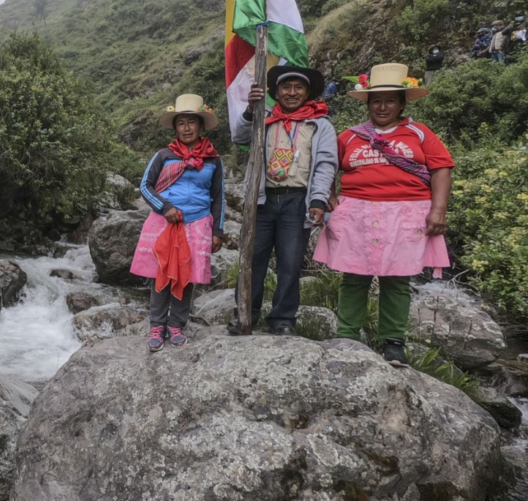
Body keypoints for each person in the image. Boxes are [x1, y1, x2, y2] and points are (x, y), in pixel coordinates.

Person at [314, 63, 454, 367]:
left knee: (397, 280)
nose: (382, 106)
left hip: (406, 214)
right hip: (357, 212)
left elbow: (441, 168)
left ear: (402, 103)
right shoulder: (350, 136)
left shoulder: (419, 133)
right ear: (367, 103)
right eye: (376, 100)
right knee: (353, 276)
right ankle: (347, 335)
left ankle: (393, 343)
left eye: (390, 100)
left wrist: (438, 210)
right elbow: (326, 166)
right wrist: (329, 195)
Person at [227, 66, 338, 336]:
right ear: (276, 92)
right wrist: (251, 110)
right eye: (285, 87)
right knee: (252, 260)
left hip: (297, 201)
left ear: (307, 92)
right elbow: (240, 137)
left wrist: (319, 199)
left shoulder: (320, 125)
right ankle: (245, 313)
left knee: (290, 262)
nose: (291, 92)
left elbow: (325, 163)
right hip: (262, 201)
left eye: (298, 87)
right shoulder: (263, 118)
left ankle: (283, 318)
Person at [132, 94, 225, 352]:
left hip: (197, 224)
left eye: (191, 123)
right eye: (181, 123)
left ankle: (176, 325)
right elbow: (145, 186)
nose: (186, 128)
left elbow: (219, 198)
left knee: (186, 276)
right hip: (165, 222)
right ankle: (156, 325)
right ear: (175, 128)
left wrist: (218, 230)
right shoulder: (163, 156)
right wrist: (166, 207)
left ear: (201, 126)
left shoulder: (214, 160)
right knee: (162, 272)